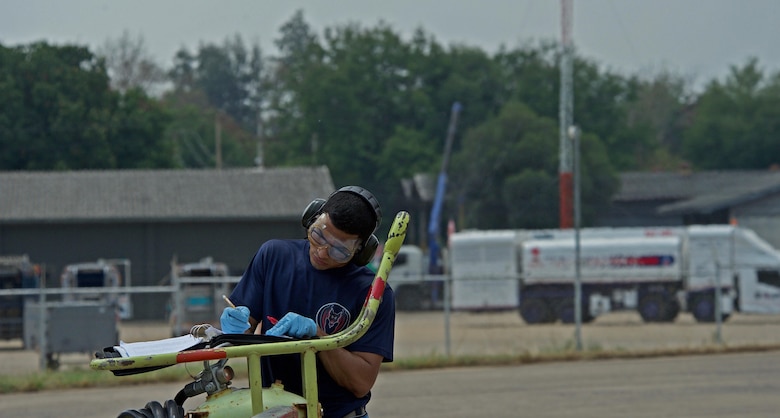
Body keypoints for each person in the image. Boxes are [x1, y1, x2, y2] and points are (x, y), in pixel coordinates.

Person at [221, 186, 394, 418]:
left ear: (361, 251)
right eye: (318, 235)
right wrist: (234, 328)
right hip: (275, 412)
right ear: (311, 218)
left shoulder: (371, 294)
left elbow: (361, 382)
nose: (322, 252)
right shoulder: (273, 257)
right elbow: (244, 330)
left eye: (339, 251)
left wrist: (319, 337)